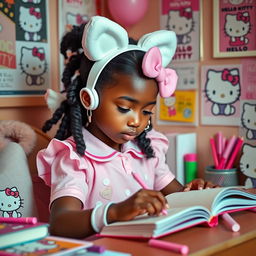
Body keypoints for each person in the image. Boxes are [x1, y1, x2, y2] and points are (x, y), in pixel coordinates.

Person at [37, 16, 218, 239]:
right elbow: (60, 223)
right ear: (88, 99)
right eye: (124, 108)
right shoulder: (75, 158)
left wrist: (196, 194)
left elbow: (176, 198)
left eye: (147, 112)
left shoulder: (148, 149)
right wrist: (115, 211)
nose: (137, 122)